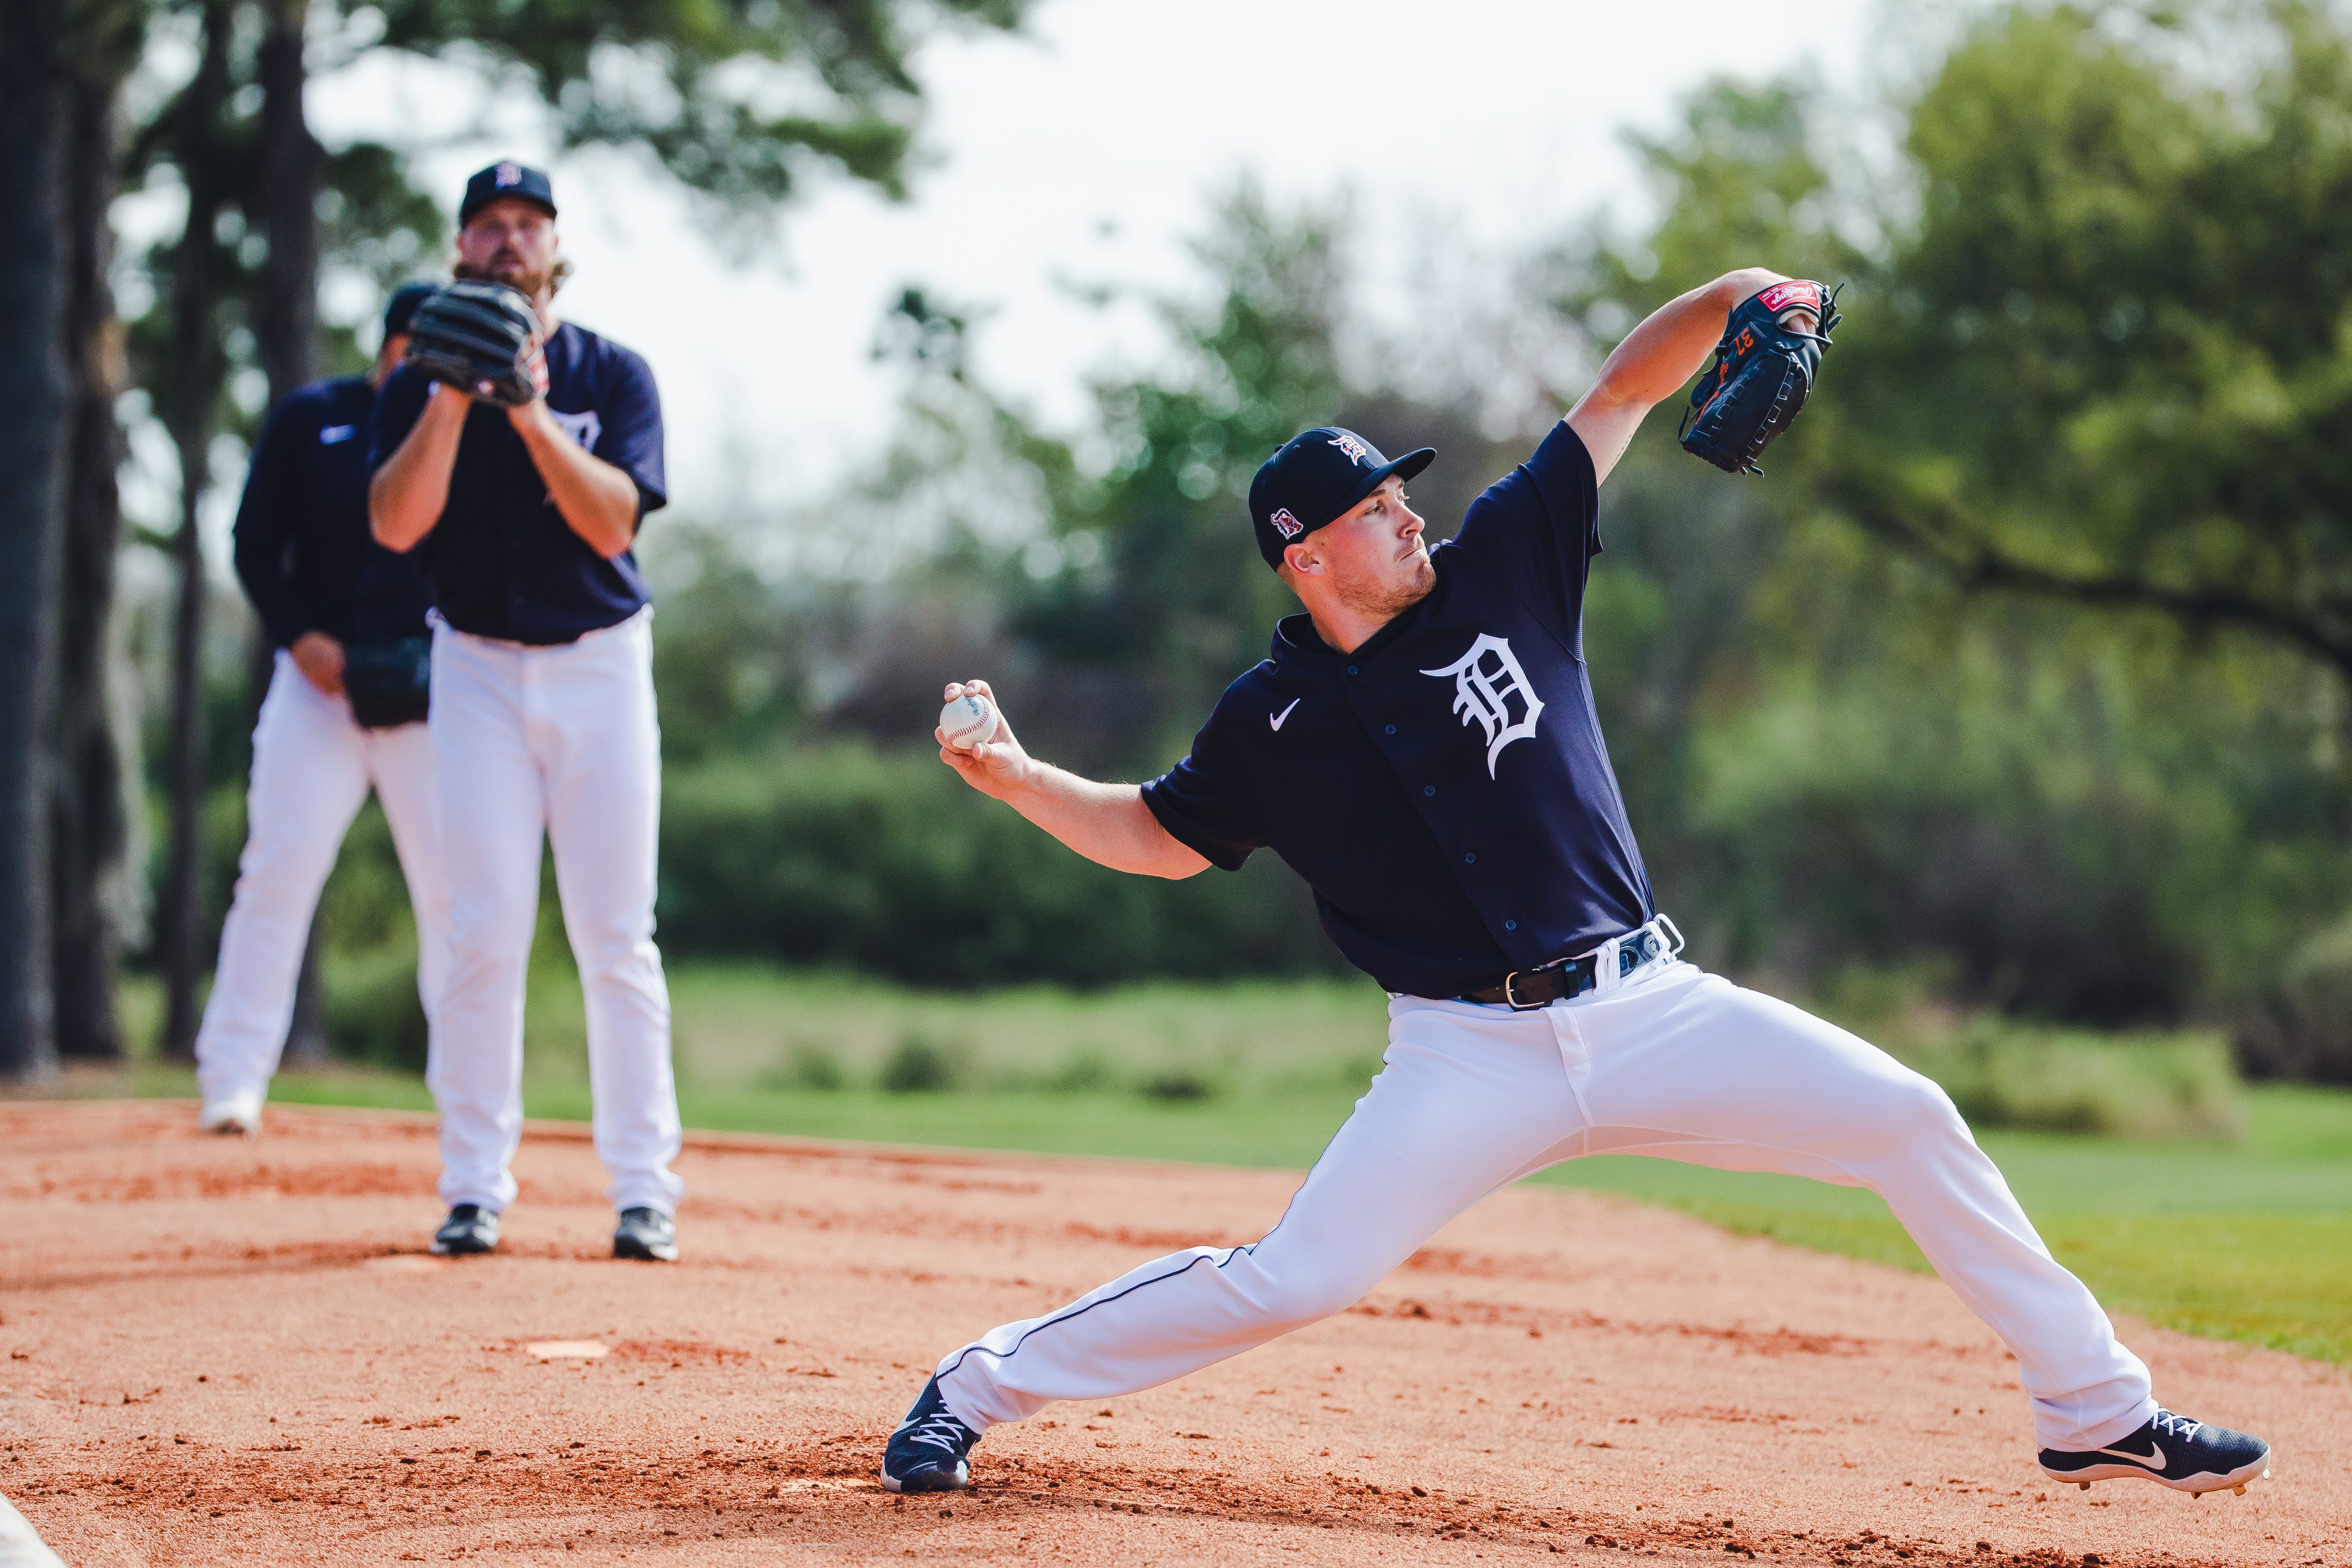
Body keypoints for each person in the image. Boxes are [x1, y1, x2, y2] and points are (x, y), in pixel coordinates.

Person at [877, 269, 2275, 1501]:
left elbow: (1620, 386)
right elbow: (1154, 834)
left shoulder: (1507, 563)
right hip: (1461, 1055)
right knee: (1295, 1277)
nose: (1406, 516)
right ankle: (975, 1386)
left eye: (1401, 493)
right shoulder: (1271, 717)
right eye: (1373, 509)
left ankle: (2096, 1413)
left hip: (1649, 1005)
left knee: (1908, 1119)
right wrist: (1011, 777)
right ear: (1305, 555)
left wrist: (1746, 293)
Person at [367, 161, 682, 1263]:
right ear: (461, 248)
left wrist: (528, 407)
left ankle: (644, 1189)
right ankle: (471, 1186)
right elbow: (396, 525)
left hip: (599, 664)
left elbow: (612, 528)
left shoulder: (612, 371)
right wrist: (453, 393)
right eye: (489, 224)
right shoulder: (418, 381)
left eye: (528, 224)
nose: (509, 240)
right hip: (478, 670)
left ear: (555, 249)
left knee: (613, 933)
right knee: (483, 927)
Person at [195, 283, 449, 1137]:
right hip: (319, 688)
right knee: (278, 869)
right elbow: (253, 544)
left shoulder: (465, 428)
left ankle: (469, 1087)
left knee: (453, 893)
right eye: (416, 345)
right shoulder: (314, 417)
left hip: (434, 698)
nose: (426, 363)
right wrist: (300, 636)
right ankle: (233, 1077)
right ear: (388, 345)